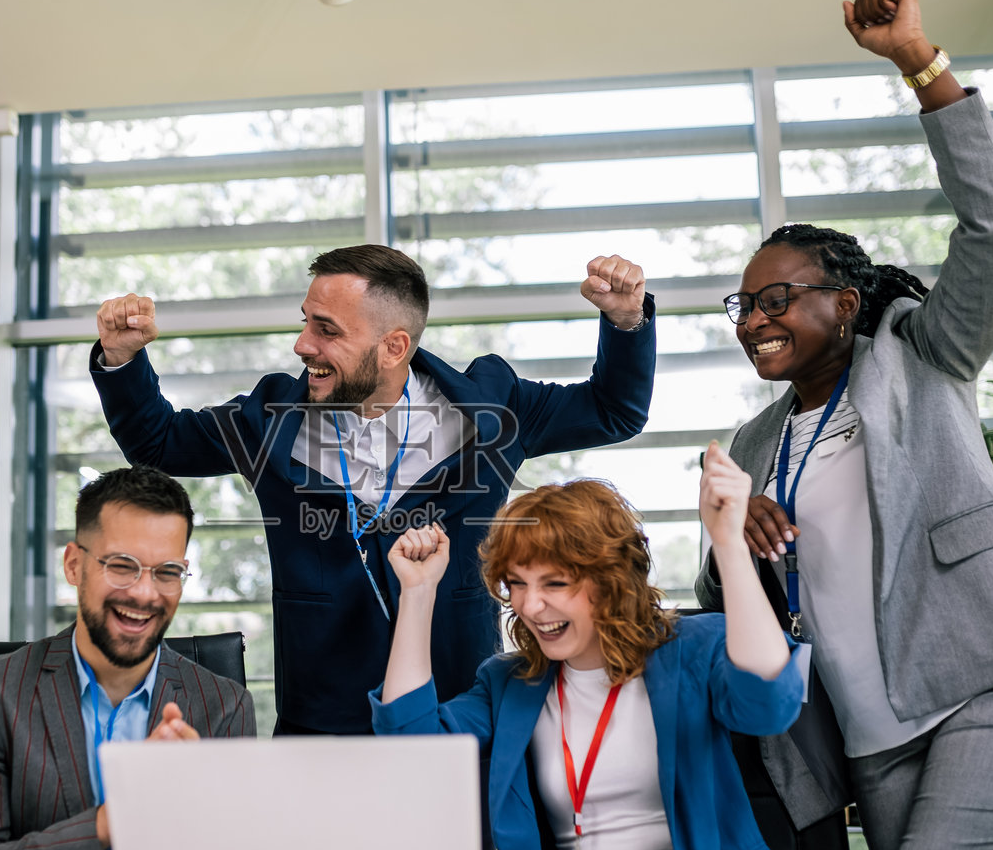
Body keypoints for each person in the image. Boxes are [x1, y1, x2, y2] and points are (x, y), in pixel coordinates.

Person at [695, 0, 993, 850]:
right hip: (872, 741)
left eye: (777, 300)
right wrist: (734, 532)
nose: (753, 319)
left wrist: (923, 66)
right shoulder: (758, 441)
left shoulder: (922, 356)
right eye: (744, 305)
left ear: (844, 304)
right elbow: (728, 600)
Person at [91, 246, 655, 735]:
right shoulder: (270, 418)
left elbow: (613, 411)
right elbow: (159, 441)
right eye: (307, 322)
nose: (302, 345)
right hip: (319, 722)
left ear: (393, 346)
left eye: (327, 330)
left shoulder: (492, 404)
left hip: (455, 711)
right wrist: (122, 357)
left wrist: (626, 320)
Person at [370, 447, 802, 850]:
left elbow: (769, 704)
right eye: (517, 584)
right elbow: (412, 748)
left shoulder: (693, 647)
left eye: (555, 584)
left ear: (612, 581)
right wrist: (418, 594)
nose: (531, 605)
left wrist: (727, 543)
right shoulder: (509, 684)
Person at [0, 465, 255, 850]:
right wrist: (110, 821)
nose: (143, 592)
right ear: (73, 566)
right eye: (122, 565)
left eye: (167, 572)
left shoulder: (223, 706)